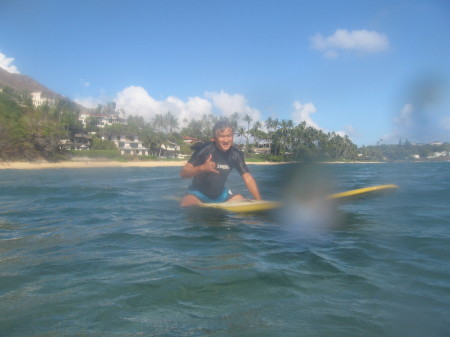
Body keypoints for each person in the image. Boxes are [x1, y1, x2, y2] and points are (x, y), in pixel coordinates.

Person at [180, 120, 261, 207]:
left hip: (220, 196)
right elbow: (183, 173)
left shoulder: (235, 154)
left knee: (240, 198)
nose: (226, 140)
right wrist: (202, 168)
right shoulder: (205, 150)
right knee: (186, 203)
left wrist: (259, 201)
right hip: (197, 194)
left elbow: (247, 177)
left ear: (232, 136)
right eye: (222, 136)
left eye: (228, 136)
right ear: (215, 138)